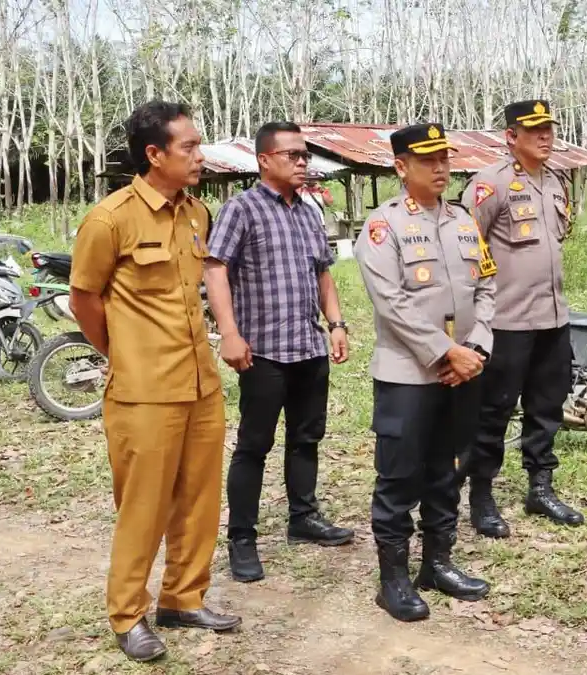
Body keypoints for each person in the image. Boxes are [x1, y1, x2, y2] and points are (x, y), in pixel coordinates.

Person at [68, 100, 241, 662]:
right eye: (188, 146)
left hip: (200, 384)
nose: (198, 155)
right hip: (143, 391)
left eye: (197, 144)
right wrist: (122, 353)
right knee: (143, 506)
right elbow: (84, 299)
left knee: (199, 499)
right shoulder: (110, 219)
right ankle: (128, 614)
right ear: (154, 154)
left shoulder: (197, 213)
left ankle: (183, 598)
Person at [354, 122, 496, 622]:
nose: (441, 168)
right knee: (399, 476)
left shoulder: (463, 220)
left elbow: (486, 290)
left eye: (445, 160)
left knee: (447, 470)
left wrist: (475, 347)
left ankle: (437, 563)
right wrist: (444, 352)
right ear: (401, 167)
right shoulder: (382, 226)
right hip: (407, 376)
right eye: (428, 160)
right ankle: (392, 578)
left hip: (462, 372)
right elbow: (390, 302)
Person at [204, 121, 353, 584]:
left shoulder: (309, 211)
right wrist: (229, 333)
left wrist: (337, 324)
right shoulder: (241, 209)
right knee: (254, 445)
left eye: (304, 155)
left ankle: (302, 517)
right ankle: (242, 540)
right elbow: (215, 271)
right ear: (265, 159)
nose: (302, 162)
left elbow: (323, 274)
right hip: (262, 350)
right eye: (292, 155)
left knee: (307, 437)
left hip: (307, 344)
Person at [458, 99, 582, 538]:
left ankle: (540, 486)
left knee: (546, 407)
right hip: (506, 321)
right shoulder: (489, 185)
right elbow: (466, 248)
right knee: (493, 412)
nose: (545, 136)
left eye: (548, 128)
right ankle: (482, 495)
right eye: (534, 130)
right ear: (512, 137)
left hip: (552, 318)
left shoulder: (555, 181)